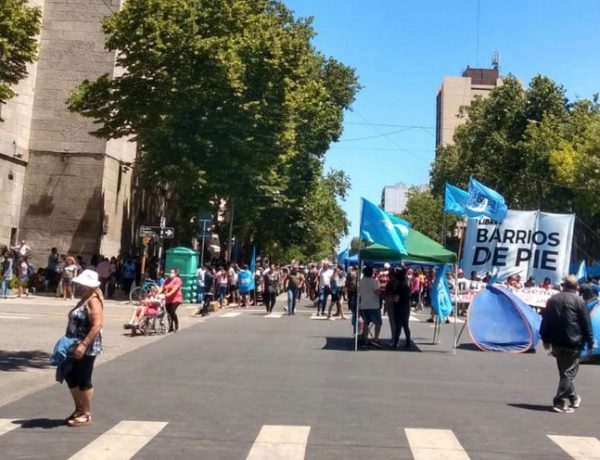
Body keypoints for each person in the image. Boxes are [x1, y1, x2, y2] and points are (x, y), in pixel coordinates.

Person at [540, 275, 594, 413]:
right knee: (568, 373)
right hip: (573, 342)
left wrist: (545, 338)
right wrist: (590, 342)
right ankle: (559, 402)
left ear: (564, 286)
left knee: (565, 372)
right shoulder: (579, 301)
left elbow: (546, 320)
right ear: (577, 287)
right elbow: (586, 323)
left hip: (557, 342)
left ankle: (573, 398)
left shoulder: (553, 299)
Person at [63, 269, 104, 427]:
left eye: (83, 284)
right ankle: (79, 409)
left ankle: (86, 413)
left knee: (83, 378)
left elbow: (97, 325)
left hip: (86, 345)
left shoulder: (93, 300)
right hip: (74, 343)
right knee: (70, 375)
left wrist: (84, 344)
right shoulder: (85, 298)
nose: (80, 286)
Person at [359, 266, 382, 347]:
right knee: (378, 323)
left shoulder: (361, 281)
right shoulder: (374, 281)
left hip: (364, 304)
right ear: (371, 273)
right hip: (373, 305)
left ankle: (365, 339)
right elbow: (377, 292)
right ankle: (376, 339)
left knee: (366, 323)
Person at [391, 268, 412, 349]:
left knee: (398, 326)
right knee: (406, 325)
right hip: (406, 307)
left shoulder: (398, 288)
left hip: (399, 308)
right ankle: (408, 343)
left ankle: (395, 343)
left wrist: (392, 299)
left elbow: (396, 299)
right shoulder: (406, 287)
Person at [162, 268, 183, 332]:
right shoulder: (167, 280)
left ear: (176, 273)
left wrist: (169, 294)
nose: (171, 274)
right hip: (168, 299)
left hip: (176, 298)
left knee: (172, 311)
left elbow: (175, 289)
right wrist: (158, 293)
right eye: (170, 272)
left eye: (172, 272)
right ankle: (170, 327)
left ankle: (176, 324)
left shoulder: (178, 280)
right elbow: (162, 287)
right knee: (168, 313)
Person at [346, 265, 359, 331]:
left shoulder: (351, 274)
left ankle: (354, 324)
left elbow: (348, 281)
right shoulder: (358, 274)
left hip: (352, 290)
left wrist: (348, 287)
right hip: (356, 291)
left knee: (352, 302)